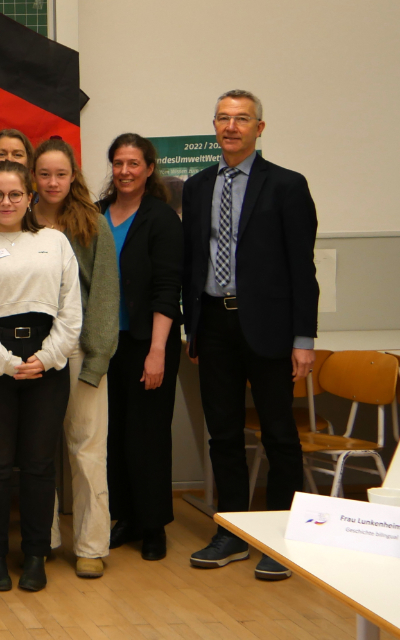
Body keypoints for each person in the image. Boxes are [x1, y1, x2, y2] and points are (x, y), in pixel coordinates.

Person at [183, 90, 318, 581]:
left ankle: (280, 537)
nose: (231, 127)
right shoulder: (197, 186)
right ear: (214, 126)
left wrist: (303, 339)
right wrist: (194, 329)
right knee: (222, 434)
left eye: (242, 119)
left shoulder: (286, 185)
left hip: (270, 329)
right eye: (223, 118)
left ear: (259, 128)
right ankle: (233, 532)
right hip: (215, 325)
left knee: (279, 434)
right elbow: (192, 262)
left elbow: (302, 269)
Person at [0, 160, 80, 592]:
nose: (5, 202)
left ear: (30, 198)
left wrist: (48, 356)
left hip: (47, 361)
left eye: (14, 194)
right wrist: (4, 362)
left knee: (40, 465)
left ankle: (35, 555)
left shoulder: (54, 241)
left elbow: (71, 309)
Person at [32, 138, 120, 578]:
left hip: (82, 354)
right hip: (34, 356)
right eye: (44, 174)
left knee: (87, 452)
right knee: (38, 453)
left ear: (73, 177)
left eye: (61, 174)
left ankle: (90, 545)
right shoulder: (19, 220)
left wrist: (98, 359)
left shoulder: (92, 223)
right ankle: (43, 538)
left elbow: (104, 294)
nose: (53, 182)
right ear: (33, 176)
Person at [95, 133, 184, 566]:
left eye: (133, 164)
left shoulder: (162, 218)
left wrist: (158, 351)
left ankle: (153, 526)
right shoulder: (96, 214)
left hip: (147, 344)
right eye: (118, 163)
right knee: (112, 436)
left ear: (149, 169)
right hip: (104, 345)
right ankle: (125, 517)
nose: (125, 171)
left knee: (146, 438)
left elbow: (168, 289)